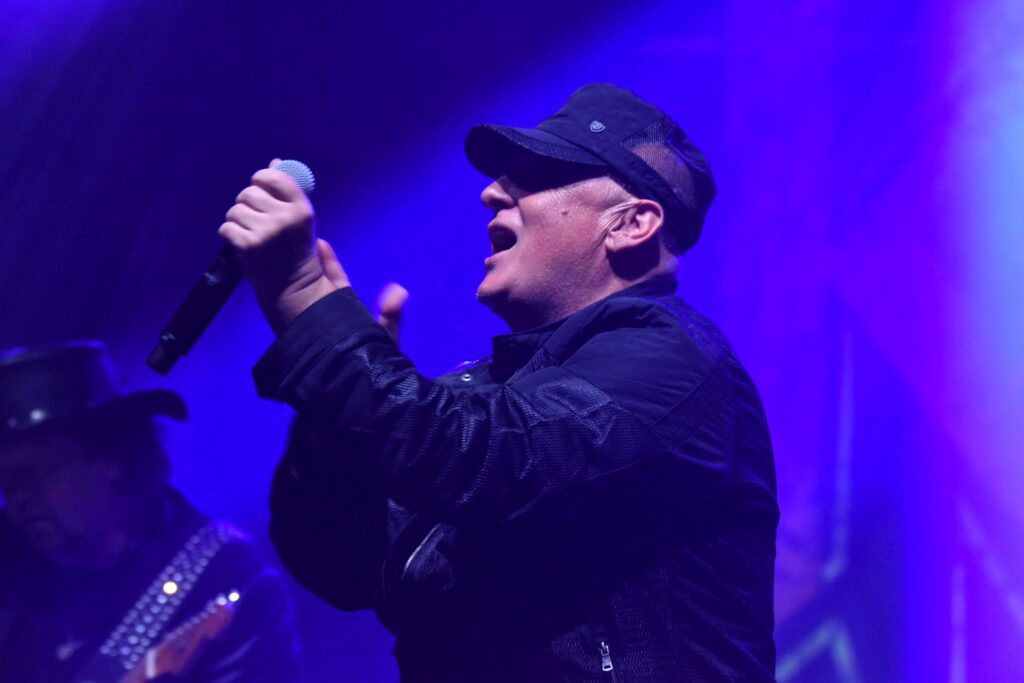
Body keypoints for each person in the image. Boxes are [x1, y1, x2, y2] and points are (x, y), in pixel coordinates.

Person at [220, 83, 778, 681]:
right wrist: (338, 409)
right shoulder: (488, 391)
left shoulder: (672, 360)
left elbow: (483, 459)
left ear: (631, 223)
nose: (491, 192)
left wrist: (309, 302)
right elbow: (341, 565)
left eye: (535, 176)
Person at [0, 342, 302, 682]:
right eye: (6, 481)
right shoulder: (9, 561)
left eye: (34, 472)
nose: (18, 497)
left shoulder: (224, 575)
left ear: (111, 458)